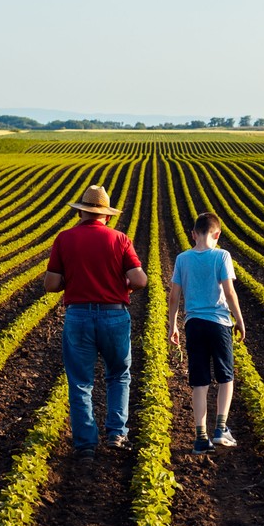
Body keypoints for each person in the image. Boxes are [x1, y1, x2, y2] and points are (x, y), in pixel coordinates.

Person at [43, 184, 148, 458]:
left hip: (78, 316)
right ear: (107, 216)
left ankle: (85, 445)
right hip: (114, 315)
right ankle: (116, 434)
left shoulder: (64, 239)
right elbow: (139, 280)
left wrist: (71, 281)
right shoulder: (120, 239)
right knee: (118, 376)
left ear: (80, 213)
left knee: (80, 382)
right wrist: (124, 287)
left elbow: (51, 284)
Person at [168, 210, 246, 454]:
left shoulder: (182, 259)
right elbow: (230, 292)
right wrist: (240, 320)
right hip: (219, 323)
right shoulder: (222, 256)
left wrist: (172, 325)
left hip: (194, 324)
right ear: (218, 234)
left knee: (199, 381)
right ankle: (221, 429)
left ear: (193, 235)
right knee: (226, 377)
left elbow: (173, 296)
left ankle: (201, 438)